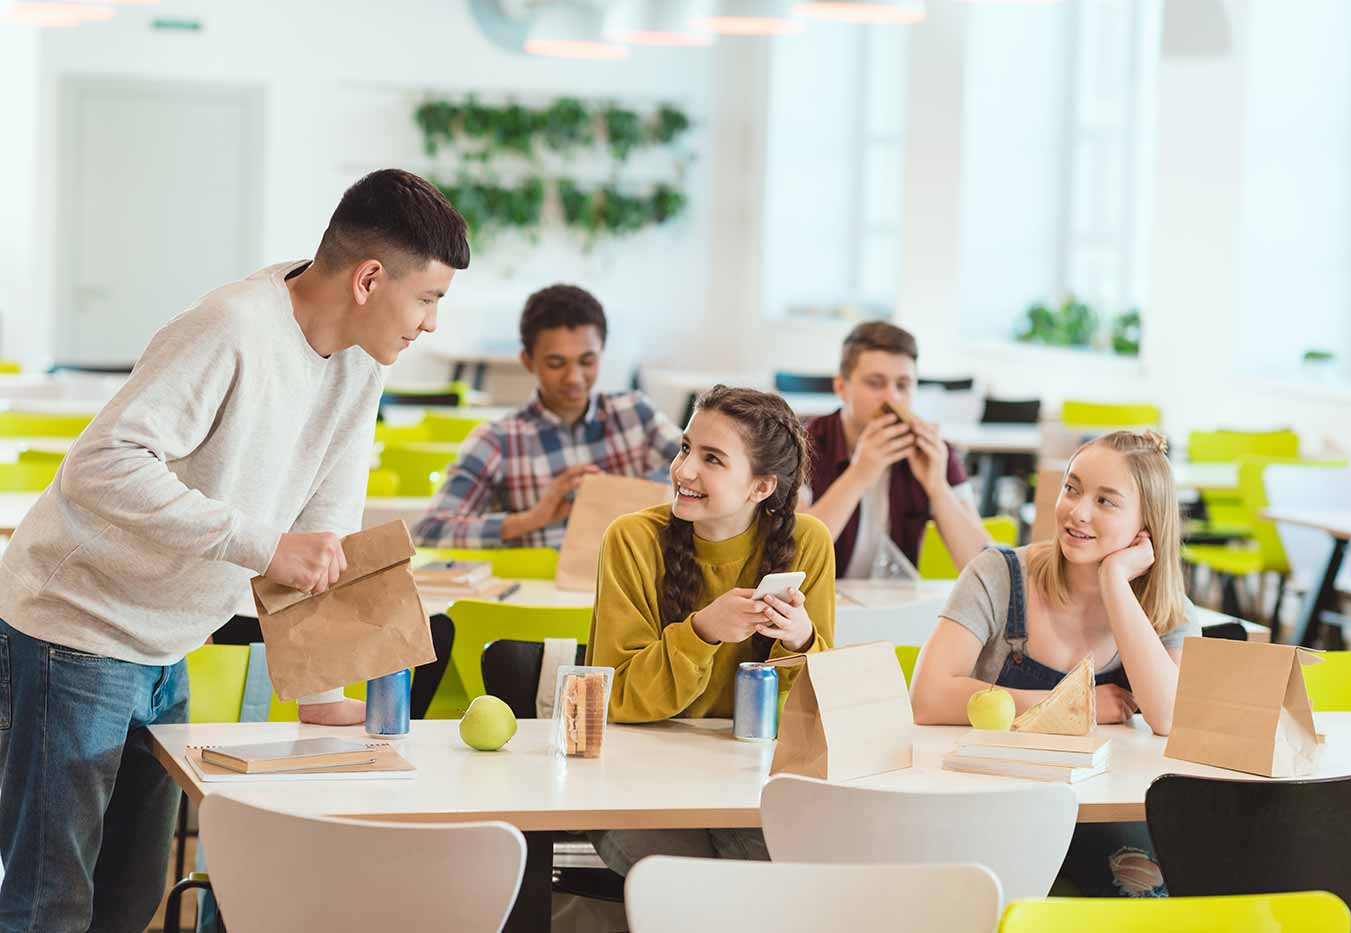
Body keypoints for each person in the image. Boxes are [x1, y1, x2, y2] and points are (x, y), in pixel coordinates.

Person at [0, 168, 470, 930]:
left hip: (165, 642)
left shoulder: (361, 362)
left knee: (132, 894)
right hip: (73, 630)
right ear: (370, 278)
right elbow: (102, 466)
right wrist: (262, 545)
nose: (432, 324)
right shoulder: (232, 326)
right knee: (50, 899)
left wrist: (319, 688)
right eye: (428, 298)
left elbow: (327, 524)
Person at [910, 429, 1201, 897]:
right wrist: (1070, 707)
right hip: (988, 803)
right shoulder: (998, 574)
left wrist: (1114, 583)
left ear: (1147, 527)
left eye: (1106, 501)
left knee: (1147, 893)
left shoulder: (1164, 607)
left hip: (1100, 813)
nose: (1077, 511)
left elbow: (1170, 716)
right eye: (1073, 488)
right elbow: (927, 698)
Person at [585, 386, 835, 875]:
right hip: (636, 782)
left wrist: (802, 640)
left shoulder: (809, 542)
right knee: (696, 885)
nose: (683, 471)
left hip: (751, 782)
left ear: (761, 487)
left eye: (712, 459)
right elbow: (616, 699)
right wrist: (701, 631)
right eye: (685, 449)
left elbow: (823, 709)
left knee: (775, 875)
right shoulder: (631, 540)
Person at [412, 284, 681, 550]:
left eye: (587, 361)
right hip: (541, 589)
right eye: (556, 363)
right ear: (528, 360)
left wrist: (621, 492)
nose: (574, 378)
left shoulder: (636, 413)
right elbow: (429, 530)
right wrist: (532, 518)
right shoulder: (498, 441)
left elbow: (704, 475)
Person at [804, 321, 990, 578]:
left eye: (902, 385)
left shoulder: (934, 451)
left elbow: (984, 570)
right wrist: (858, 476)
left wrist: (937, 487)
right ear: (841, 388)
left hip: (898, 605)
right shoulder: (804, 444)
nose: (892, 398)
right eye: (875, 383)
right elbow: (797, 559)